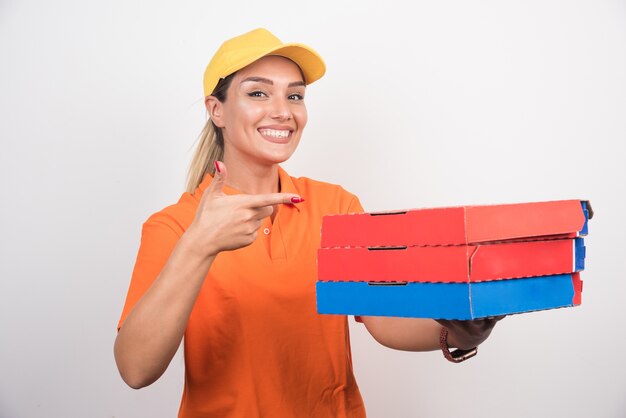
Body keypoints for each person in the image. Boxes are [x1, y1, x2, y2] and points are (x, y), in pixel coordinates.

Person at [114, 28, 502, 418]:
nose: (283, 110)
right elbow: (135, 369)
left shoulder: (336, 207)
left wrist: (459, 328)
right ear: (217, 110)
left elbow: (384, 319)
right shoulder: (173, 226)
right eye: (258, 93)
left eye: (295, 95)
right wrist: (198, 246)